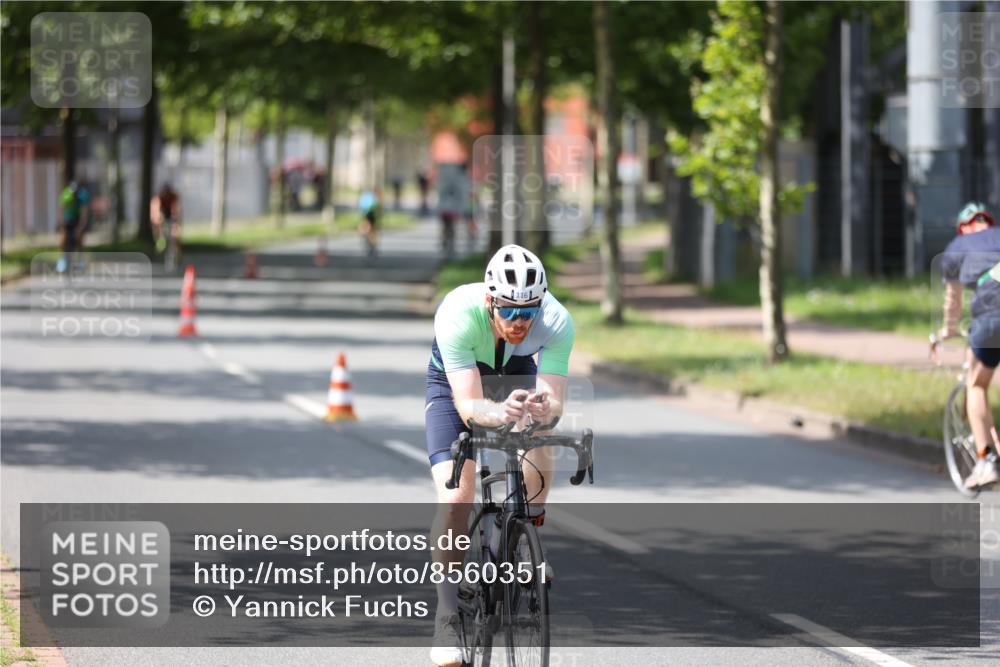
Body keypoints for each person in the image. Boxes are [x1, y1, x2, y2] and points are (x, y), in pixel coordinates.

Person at [425, 244, 574, 666]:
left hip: (515, 371)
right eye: (509, 311)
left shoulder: (557, 320)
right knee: (457, 499)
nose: (520, 322)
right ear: (490, 301)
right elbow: (469, 407)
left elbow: (556, 400)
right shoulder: (457, 313)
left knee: (540, 431)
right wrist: (498, 412)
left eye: (529, 312)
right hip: (456, 384)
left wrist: (545, 410)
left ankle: (526, 538)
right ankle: (447, 613)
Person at [935, 201, 1000, 488]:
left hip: (991, 314)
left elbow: (953, 300)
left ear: (963, 228)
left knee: (975, 384)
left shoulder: (957, 247)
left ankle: (986, 460)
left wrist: (948, 330)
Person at [57, 181, 91, 274]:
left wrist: (80, 228)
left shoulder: (82, 197)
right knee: (63, 238)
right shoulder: (66, 195)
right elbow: (61, 211)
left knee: (79, 238)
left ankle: (80, 260)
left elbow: (84, 215)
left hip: (78, 219)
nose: (74, 195)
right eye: (72, 193)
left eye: (75, 193)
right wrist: (62, 226)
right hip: (68, 218)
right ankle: (62, 259)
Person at [150, 183, 182, 272]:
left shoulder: (173, 197)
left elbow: (176, 210)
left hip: (171, 219)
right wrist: (160, 221)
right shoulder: (157, 199)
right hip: (160, 220)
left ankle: (176, 254)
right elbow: (156, 214)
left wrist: (176, 220)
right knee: (161, 237)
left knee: (175, 237)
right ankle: (160, 244)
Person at [358, 188, 381, 259]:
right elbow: (376, 209)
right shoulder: (374, 199)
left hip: (368, 215)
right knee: (372, 231)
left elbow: (361, 207)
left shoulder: (366, 197)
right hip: (370, 215)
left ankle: (369, 241)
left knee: (369, 230)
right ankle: (372, 243)